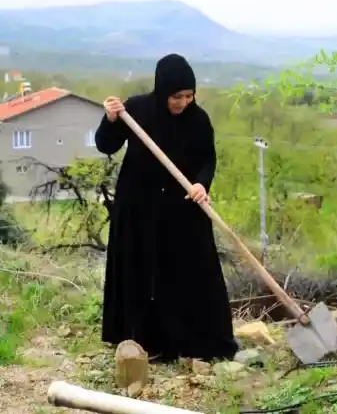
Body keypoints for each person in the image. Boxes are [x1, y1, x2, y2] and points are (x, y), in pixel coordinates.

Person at [95, 53, 238, 363]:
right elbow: (106, 145)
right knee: (143, 272)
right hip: (139, 208)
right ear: (163, 91)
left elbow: (208, 159)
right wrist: (110, 119)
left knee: (190, 270)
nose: (182, 102)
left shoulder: (198, 120)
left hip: (182, 208)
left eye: (189, 96)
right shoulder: (137, 109)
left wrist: (201, 184)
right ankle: (143, 339)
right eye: (177, 96)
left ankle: (194, 342)